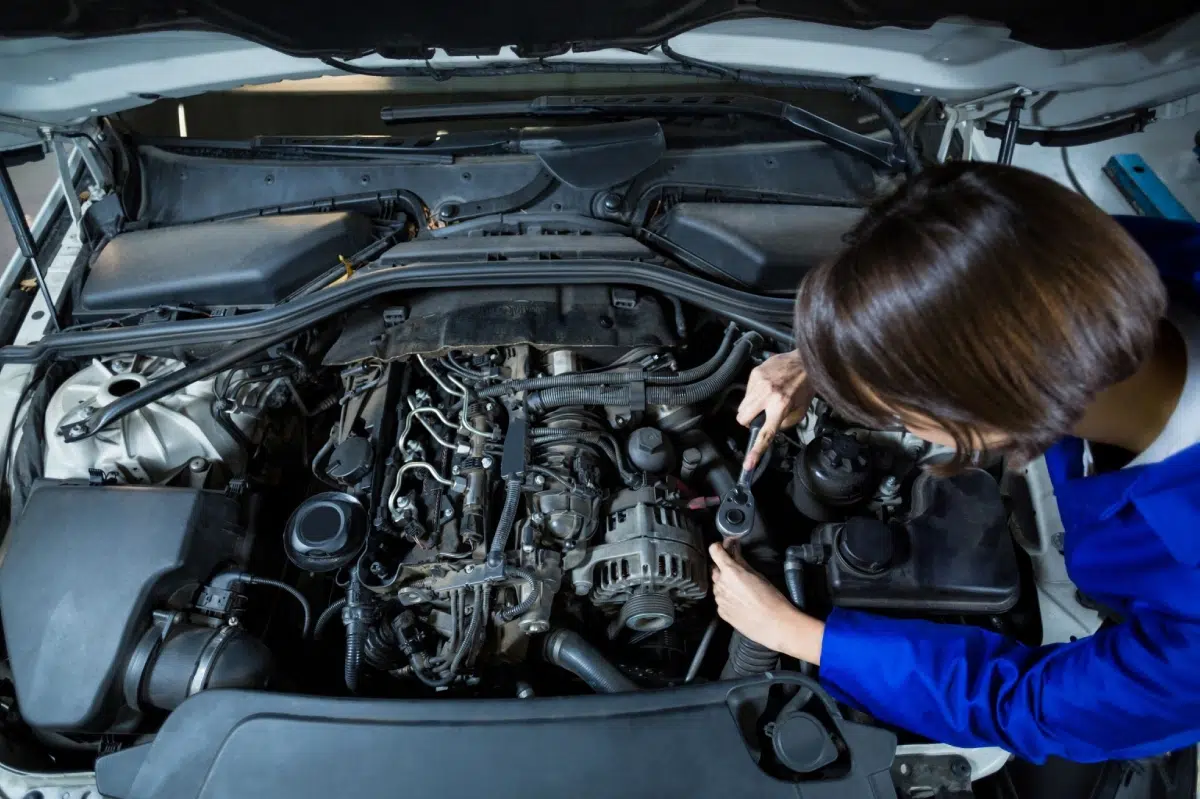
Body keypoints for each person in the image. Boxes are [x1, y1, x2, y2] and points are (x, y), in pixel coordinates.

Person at [708, 161, 1200, 764]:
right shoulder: (1104, 261)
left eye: (898, 412)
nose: (894, 424)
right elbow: (965, 288)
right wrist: (825, 357)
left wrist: (800, 635)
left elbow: (1032, 705)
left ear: (994, 410)